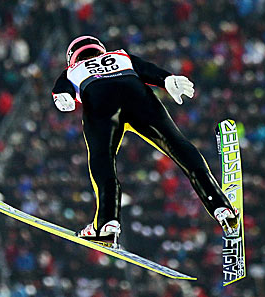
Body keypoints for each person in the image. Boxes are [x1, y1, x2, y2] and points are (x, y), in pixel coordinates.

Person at [51, 35, 239, 247]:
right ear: (101, 49)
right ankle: (221, 207)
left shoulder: (72, 70)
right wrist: (167, 79)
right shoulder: (120, 55)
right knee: (177, 144)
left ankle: (107, 224)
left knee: (102, 161)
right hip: (137, 95)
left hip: (100, 100)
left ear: (72, 57)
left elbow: (61, 91)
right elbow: (146, 69)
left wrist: (63, 97)